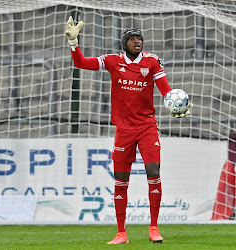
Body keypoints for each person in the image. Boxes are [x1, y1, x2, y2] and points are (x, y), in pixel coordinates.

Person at [65, 16, 190, 244]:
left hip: (147, 127)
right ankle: (121, 233)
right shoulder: (113, 61)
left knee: (154, 171)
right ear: (125, 43)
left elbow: (165, 88)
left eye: (140, 39)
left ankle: (153, 227)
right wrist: (74, 44)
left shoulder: (152, 62)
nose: (137, 42)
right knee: (121, 179)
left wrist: (175, 103)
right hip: (124, 130)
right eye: (132, 39)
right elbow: (81, 63)